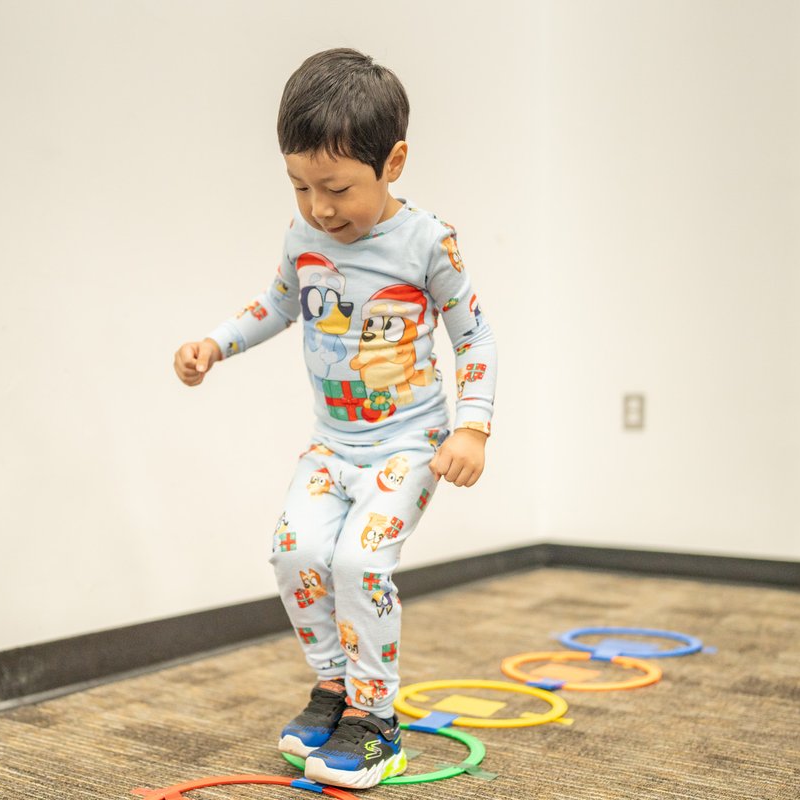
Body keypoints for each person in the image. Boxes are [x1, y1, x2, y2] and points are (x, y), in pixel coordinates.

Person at [172, 47, 497, 790]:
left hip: (410, 442)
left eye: (338, 187)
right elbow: (278, 304)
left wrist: (473, 426)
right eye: (300, 186)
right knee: (293, 555)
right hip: (331, 445)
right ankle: (334, 689)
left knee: (359, 563)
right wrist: (213, 345)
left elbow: (474, 335)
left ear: (395, 163)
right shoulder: (305, 238)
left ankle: (378, 721)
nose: (319, 206)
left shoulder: (426, 242)